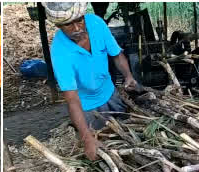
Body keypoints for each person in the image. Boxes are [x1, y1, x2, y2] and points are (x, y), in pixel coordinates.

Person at [43, 1, 142, 161]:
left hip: (111, 95)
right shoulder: (60, 52)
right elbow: (72, 99)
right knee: (104, 151)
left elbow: (116, 54)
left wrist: (129, 76)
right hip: (88, 109)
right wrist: (87, 139)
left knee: (127, 138)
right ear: (58, 25)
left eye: (79, 20)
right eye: (68, 24)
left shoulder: (96, 23)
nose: (77, 28)